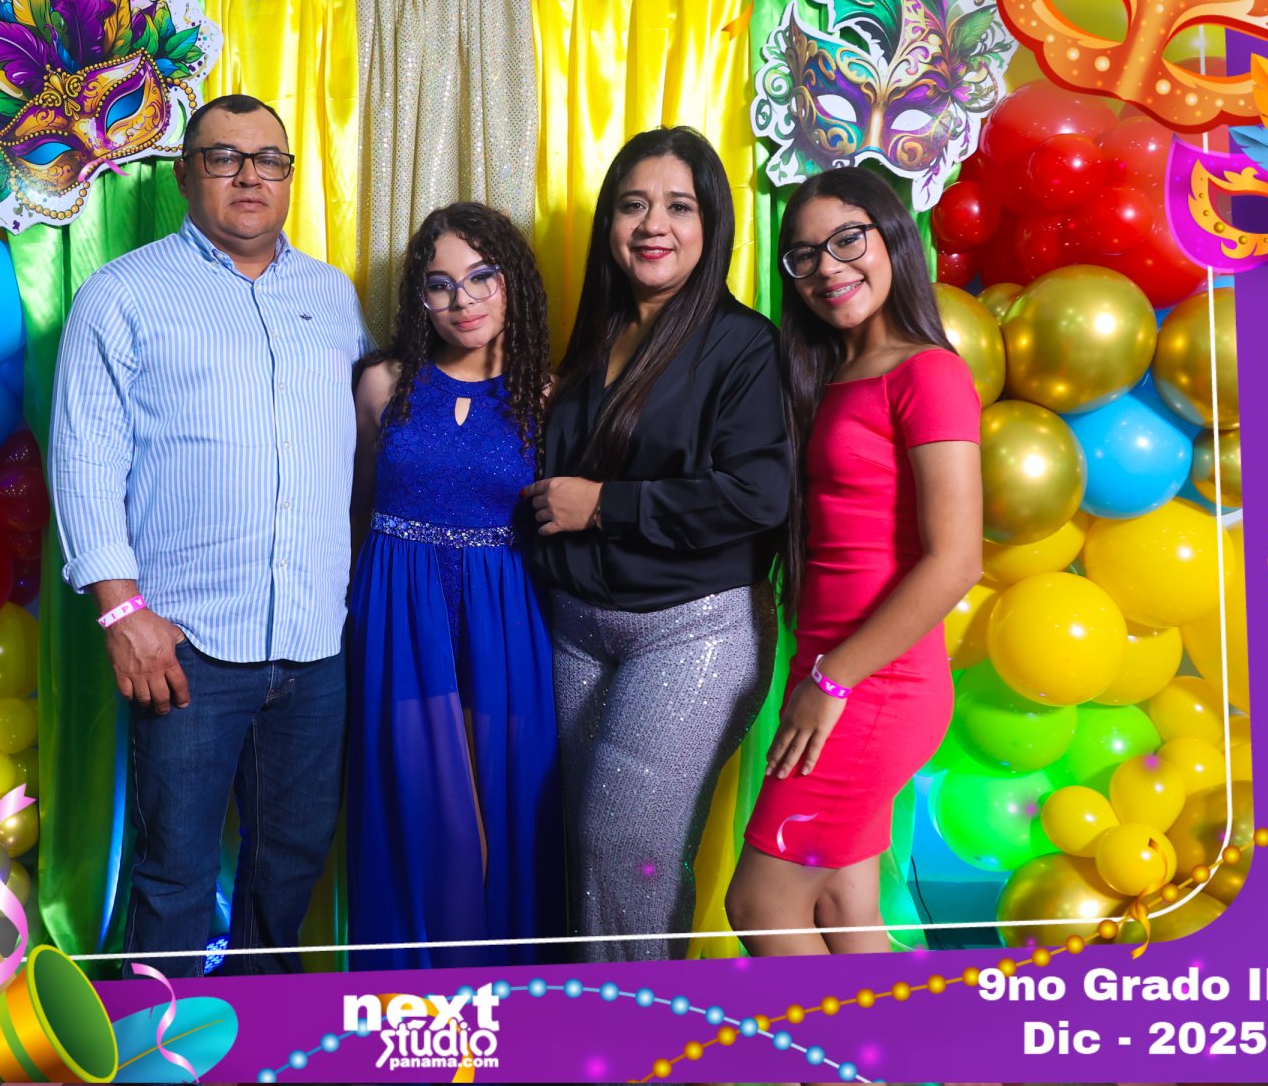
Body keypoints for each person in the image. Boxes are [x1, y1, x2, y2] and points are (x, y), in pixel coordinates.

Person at [49, 94, 371, 976]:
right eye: (224, 157)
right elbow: (84, 457)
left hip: (315, 643)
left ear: (289, 177)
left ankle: (261, 1035)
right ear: (186, 174)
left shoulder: (332, 296)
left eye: (269, 159)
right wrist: (122, 614)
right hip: (186, 646)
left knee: (290, 871)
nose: (248, 176)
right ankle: (159, 1040)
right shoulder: (124, 295)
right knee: (173, 875)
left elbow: (368, 438)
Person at [526, 126, 792, 962]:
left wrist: (604, 505)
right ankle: (599, 1018)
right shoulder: (597, 336)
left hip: (691, 630)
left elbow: (757, 495)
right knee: (586, 855)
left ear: (711, 224)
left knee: (625, 853)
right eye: (634, 205)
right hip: (576, 629)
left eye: (679, 206)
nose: (653, 225)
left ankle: (636, 1028)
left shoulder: (743, 344)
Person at [725, 166, 982, 955]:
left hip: (872, 686)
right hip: (834, 675)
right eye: (804, 256)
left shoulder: (929, 372)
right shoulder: (825, 377)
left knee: (762, 903)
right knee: (844, 904)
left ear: (892, 238)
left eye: (847, 241)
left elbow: (956, 560)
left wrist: (832, 682)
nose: (828, 268)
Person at [346, 201, 563, 970]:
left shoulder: (548, 398)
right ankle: (414, 999)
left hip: (505, 618)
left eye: (481, 277)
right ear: (420, 298)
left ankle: (500, 999)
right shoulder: (383, 384)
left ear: (514, 283)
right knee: (424, 815)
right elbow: (356, 507)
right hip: (399, 617)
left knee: (504, 814)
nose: (462, 300)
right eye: (440, 285)